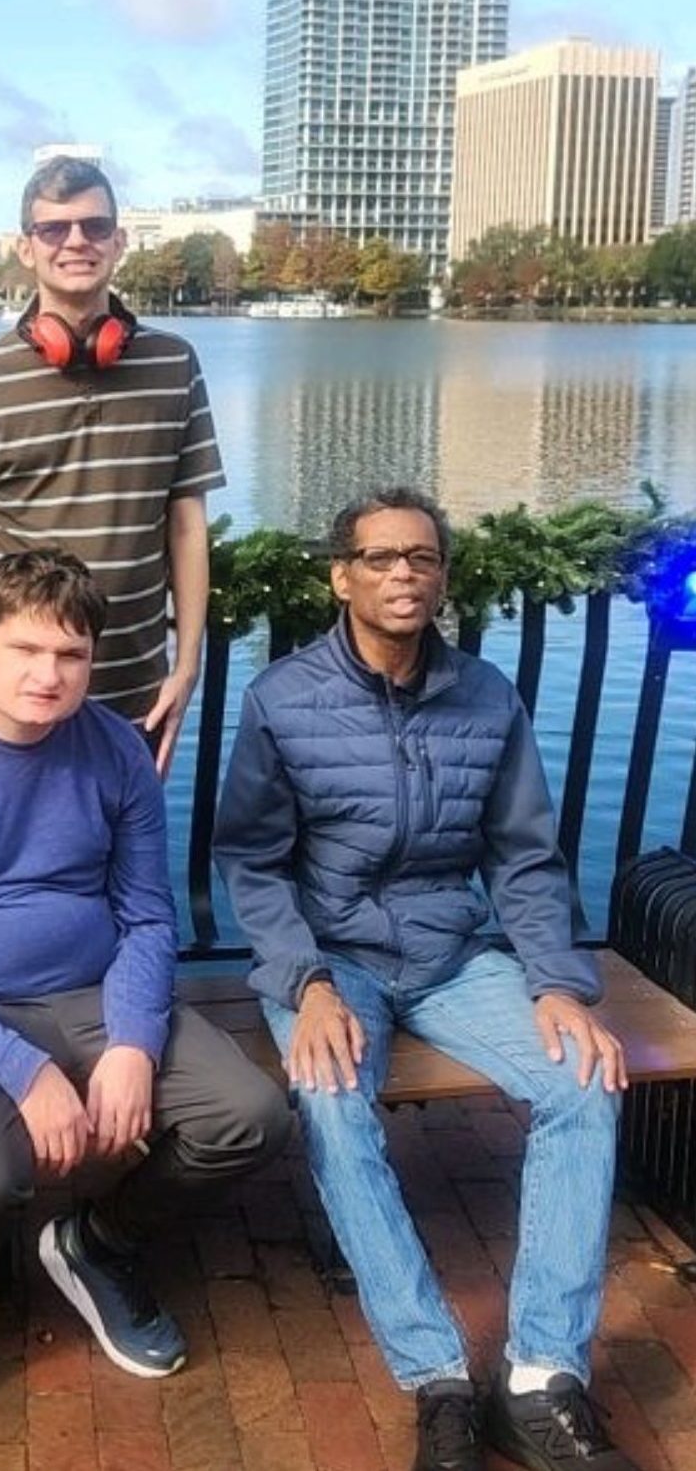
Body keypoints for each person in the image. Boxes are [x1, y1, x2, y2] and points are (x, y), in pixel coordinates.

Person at [213, 486, 633, 1471]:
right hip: (331, 955)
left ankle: (539, 1375)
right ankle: (435, 1372)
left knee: (582, 1079)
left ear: (440, 576)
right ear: (341, 574)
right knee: (331, 1099)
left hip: (450, 952)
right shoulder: (282, 699)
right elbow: (251, 862)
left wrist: (556, 981)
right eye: (380, 556)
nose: (402, 572)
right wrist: (303, 980)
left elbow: (524, 858)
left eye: (422, 557)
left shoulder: (486, 695)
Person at [0, 548, 288, 1423]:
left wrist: (131, 1041)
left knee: (249, 1115)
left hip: (92, 988)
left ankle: (98, 1242)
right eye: (24, 650)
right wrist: (27, 1072)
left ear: (92, 660)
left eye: (71, 656)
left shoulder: (117, 750)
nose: (48, 676)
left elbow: (149, 918)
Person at [0, 156, 224, 775]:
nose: (76, 241)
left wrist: (186, 666)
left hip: (136, 693)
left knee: (123, 866)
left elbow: (187, 528)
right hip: (6, 695)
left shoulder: (175, 366)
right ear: (26, 249)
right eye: (54, 229)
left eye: (94, 226)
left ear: (120, 241)